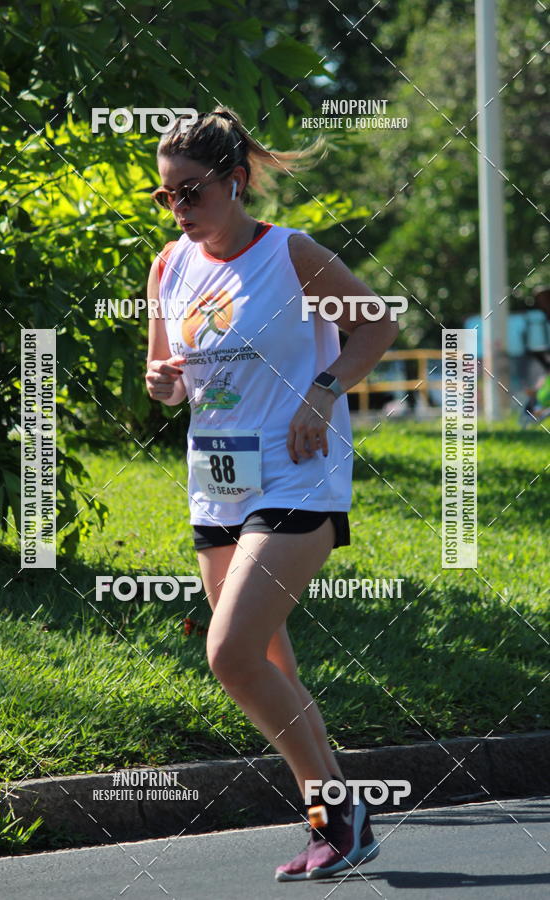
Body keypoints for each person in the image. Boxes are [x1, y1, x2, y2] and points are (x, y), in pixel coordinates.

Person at [145, 106, 398, 881]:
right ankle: (339, 818)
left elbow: (377, 326)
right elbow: (167, 380)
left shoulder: (291, 255)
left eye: (193, 192)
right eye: (167, 196)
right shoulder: (168, 267)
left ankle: (340, 819)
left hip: (297, 473)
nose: (180, 209)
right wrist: (161, 383)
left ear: (236, 180)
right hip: (217, 486)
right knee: (266, 663)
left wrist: (323, 392)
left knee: (228, 654)